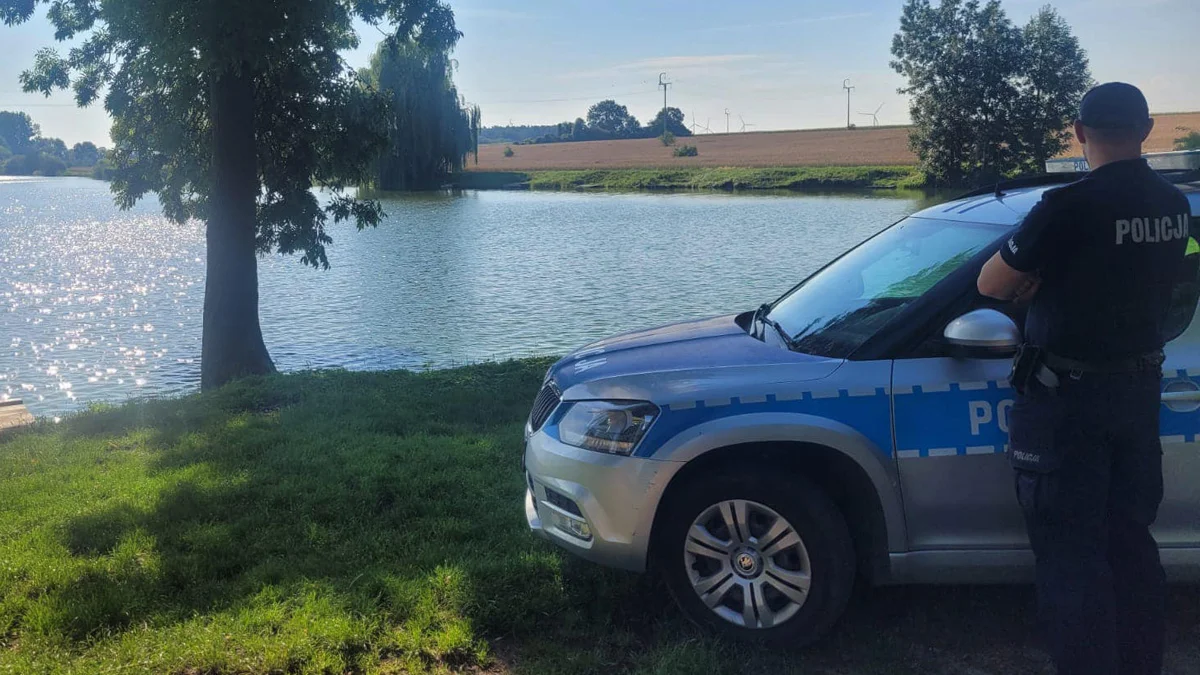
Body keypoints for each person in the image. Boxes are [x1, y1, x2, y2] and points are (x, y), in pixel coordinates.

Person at [977, 82, 1193, 675]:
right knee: (1130, 542)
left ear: (1078, 132)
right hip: (1136, 393)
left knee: (1071, 555)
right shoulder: (1174, 206)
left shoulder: (1068, 206)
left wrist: (1041, 277)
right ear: (1147, 130)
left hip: (1068, 402)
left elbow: (991, 285)